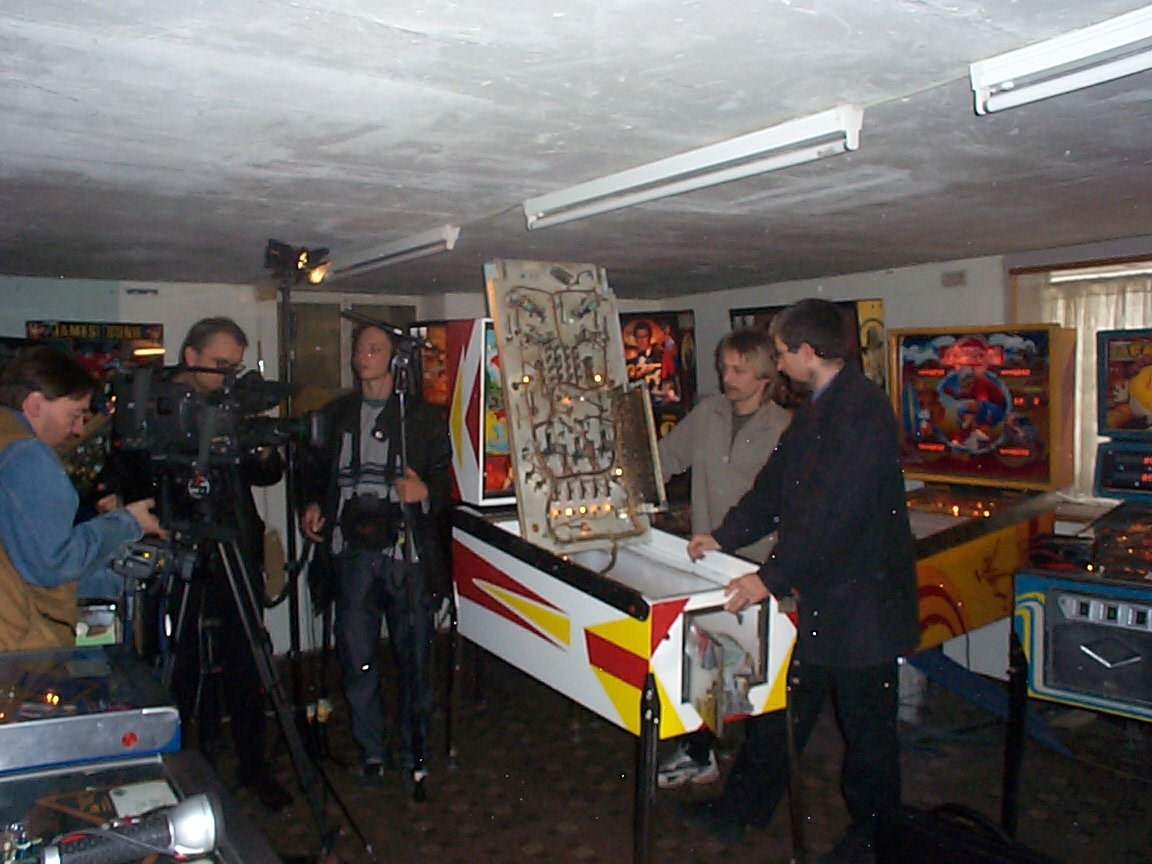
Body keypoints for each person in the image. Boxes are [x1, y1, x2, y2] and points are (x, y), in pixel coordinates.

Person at [683, 299, 918, 864]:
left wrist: (771, 578)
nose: (779, 361)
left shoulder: (861, 412)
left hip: (863, 607)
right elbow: (775, 486)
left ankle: (875, 840)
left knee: (868, 735)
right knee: (782, 712)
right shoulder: (818, 408)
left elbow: (838, 517)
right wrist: (723, 535)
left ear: (808, 352)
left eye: (782, 351)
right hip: (826, 599)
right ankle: (742, 809)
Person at [125, 317, 291, 812]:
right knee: (178, 664)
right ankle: (178, 771)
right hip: (176, 549)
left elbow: (266, 473)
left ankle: (254, 768)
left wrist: (260, 440)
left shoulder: (231, 404)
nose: (227, 376)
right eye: (220, 365)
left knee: (246, 658)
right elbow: (129, 473)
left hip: (233, 545)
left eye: (234, 367)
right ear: (190, 357)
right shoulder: (152, 404)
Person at [300, 324, 451, 794]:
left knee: (414, 660)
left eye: (374, 349)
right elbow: (313, 472)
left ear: (394, 359)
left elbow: (445, 486)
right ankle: (372, 752)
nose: (362, 356)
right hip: (351, 556)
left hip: (405, 556)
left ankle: (415, 754)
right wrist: (312, 505)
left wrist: (424, 492)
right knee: (357, 659)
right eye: (359, 349)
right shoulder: (336, 415)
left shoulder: (422, 418)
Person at [655, 327, 792, 789]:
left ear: (765, 376)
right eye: (724, 368)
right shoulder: (708, 413)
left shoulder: (785, 429)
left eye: (739, 370)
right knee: (705, 660)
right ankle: (701, 752)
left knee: (753, 670)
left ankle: (745, 766)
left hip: (759, 564)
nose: (727, 378)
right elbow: (664, 459)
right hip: (708, 556)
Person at [0, 346, 162, 651]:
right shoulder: (26, 454)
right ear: (35, 404)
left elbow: (22, 558)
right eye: (74, 414)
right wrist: (127, 523)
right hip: (17, 647)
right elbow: (54, 565)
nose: (78, 429)